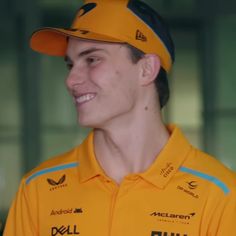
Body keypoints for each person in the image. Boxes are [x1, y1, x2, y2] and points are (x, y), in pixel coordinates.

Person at [4, 0, 236, 235]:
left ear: (146, 69)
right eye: (70, 64)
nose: (71, 80)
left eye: (92, 59)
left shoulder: (220, 195)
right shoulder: (37, 190)